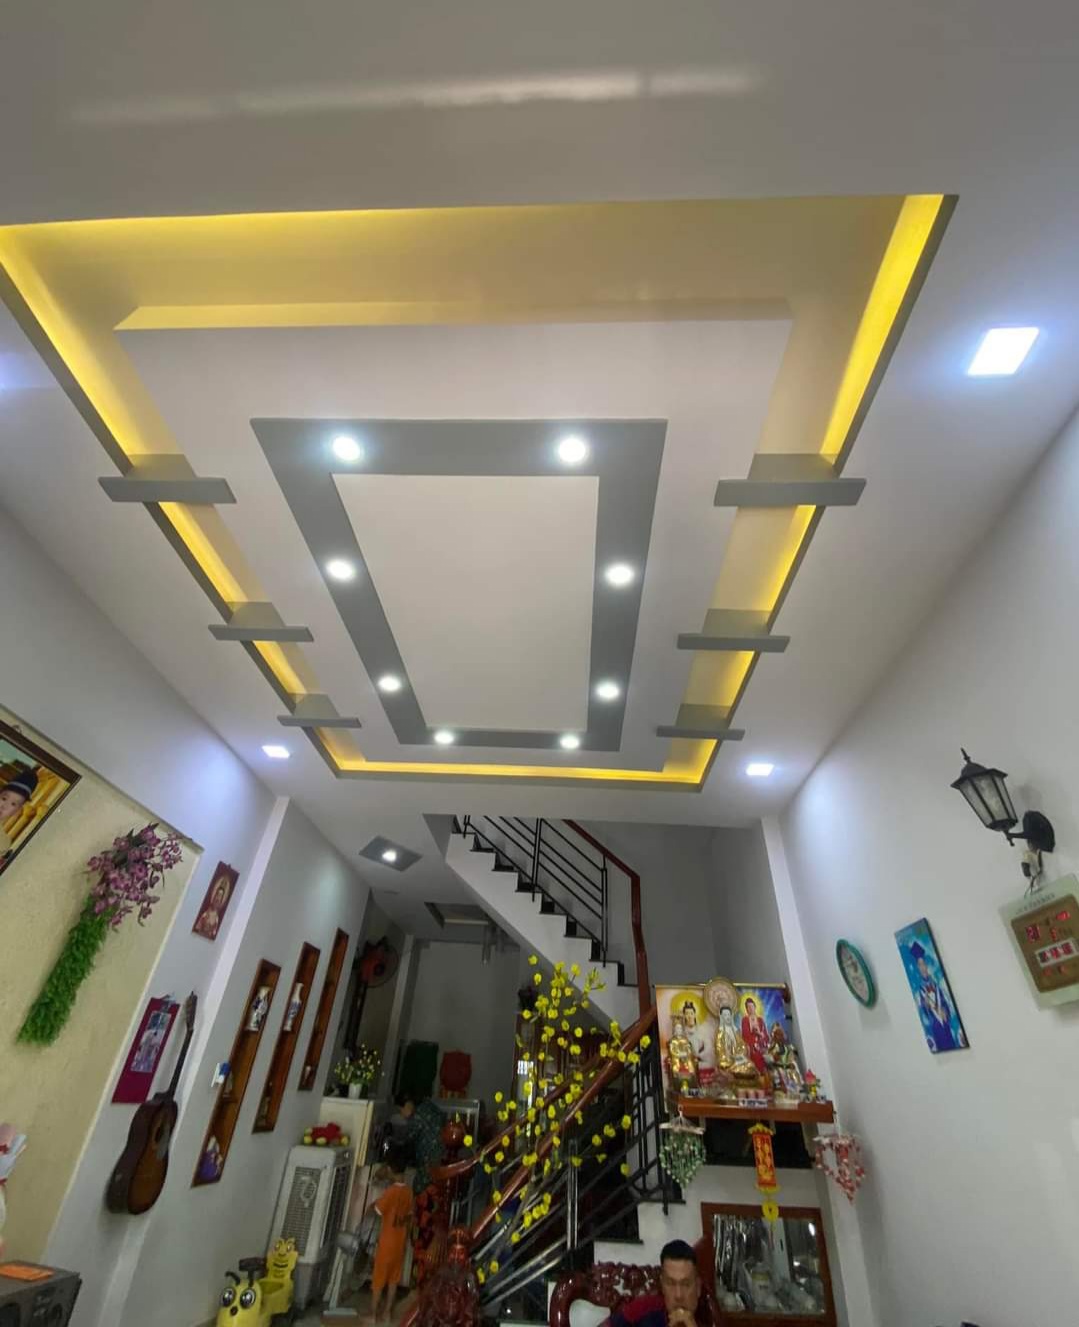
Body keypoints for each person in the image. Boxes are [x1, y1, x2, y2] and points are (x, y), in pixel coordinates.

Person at [607, 1240, 709, 1327]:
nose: (678, 1295)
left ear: (698, 1287)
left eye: (686, 1284)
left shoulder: (709, 1317)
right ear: (662, 1285)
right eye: (671, 1284)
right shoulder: (645, 1309)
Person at [369, 1147, 413, 1324]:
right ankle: (387, 1313)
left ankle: (372, 1315)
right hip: (400, 1244)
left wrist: (372, 1205)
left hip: (386, 1244)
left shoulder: (391, 1192)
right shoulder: (408, 1192)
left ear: (388, 1169)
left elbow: (378, 1210)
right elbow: (409, 1217)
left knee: (378, 1280)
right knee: (394, 1280)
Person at [910, 941, 959, 1051]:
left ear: (926, 966)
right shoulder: (921, 991)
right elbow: (924, 1014)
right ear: (918, 968)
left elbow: (944, 1002)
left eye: (923, 964)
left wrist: (945, 1011)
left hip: (946, 1028)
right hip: (936, 1031)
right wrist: (926, 1005)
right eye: (920, 965)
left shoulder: (936, 985)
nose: (922, 967)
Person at [396, 1092, 446, 1194]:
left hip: (430, 1159)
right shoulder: (427, 1105)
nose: (402, 1114)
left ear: (408, 1104)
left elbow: (407, 1140)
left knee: (419, 1190)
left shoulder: (417, 1116)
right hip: (442, 1155)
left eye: (400, 1110)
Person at [0, 768, 37, 860]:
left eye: (13, 804)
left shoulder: (3, 843)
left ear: (17, 810)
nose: (4, 806)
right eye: (4, 798)